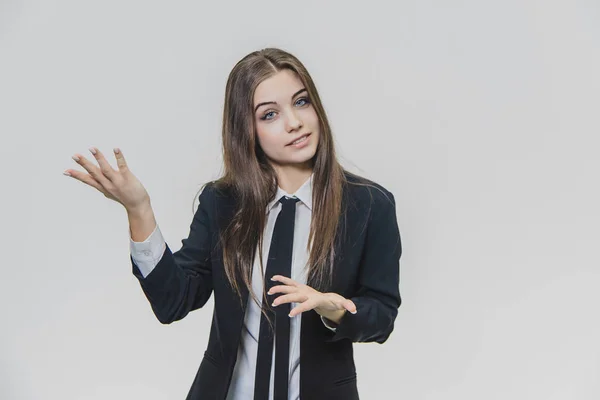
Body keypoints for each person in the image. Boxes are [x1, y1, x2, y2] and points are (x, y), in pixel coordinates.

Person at [64, 47, 402, 400]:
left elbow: (381, 317)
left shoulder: (369, 205)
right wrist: (139, 209)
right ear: (246, 129)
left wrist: (332, 306)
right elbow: (173, 301)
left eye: (301, 102)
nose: (294, 123)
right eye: (270, 114)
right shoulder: (223, 203)